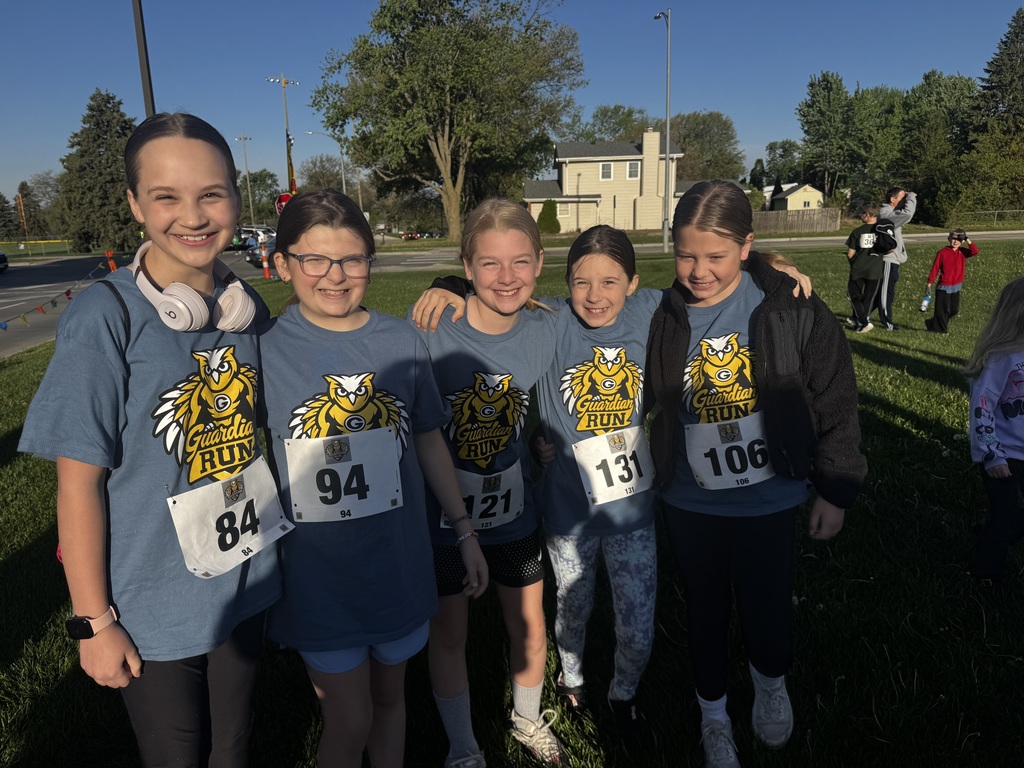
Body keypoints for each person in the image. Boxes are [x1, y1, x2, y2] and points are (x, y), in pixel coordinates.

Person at [18, 112, 289, 766]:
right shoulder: (105, 316)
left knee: (233, 746)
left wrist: (449, 300)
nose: (191, 215)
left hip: (245, 580)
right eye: (166, 196)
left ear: (234, 197)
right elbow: (77, 483)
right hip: (150, 603)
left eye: (211, 194)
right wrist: (93, 621)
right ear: (135, 204)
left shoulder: (241, 309)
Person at [259, 189, 487, 768]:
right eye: (314, 259)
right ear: (282, 263)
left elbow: (430, 438)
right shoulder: (260, 352)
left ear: (369, 262)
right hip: (319, 580)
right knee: (349, 717)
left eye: (352, 259)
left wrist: (464, 529)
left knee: (389, 701)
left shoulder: (399, 340)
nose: (335, 276)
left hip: (397, 566)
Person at [646, 180, 866, 768]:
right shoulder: (659, 314)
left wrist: (835, 487)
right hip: (690, 503)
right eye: (685, 254)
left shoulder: (791, 306)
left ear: (747, 246)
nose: (698, 270)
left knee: (768, 607)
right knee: (704, 610)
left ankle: (770, 686)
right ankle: (713, 714)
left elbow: (835, 396)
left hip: (770, 500)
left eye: (715, 256)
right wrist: (457, 287)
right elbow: (581, 310)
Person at [410, 199, 569, 767]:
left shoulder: (547, 328)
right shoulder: (431, 329)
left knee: (528, 626)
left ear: (541, 261)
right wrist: (443, 285)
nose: (507, 278)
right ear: (467, 266)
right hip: (445, 524)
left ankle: (527, 720)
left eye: (520, 262)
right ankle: (463, 746)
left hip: (515, 517)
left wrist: (538, 442)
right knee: (449, 635)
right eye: (490, 265)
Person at [964, 276, 1024, 590]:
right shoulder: (1001, 358)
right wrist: (991, 454)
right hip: (1004, 455)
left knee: (1013, 518)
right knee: (1006, 513)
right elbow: (982, 409)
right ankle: (988, 574)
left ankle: (996, 535)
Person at [876, 187, 917, 331]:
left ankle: (860, 316)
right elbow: (907, 214)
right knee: (886, 292)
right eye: (902, 197)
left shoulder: (890, 214)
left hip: (893, 259)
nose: (905, 200)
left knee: (882, 291)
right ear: (893, 199)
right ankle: (887, 322)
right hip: (888, 259)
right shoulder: (887, 215)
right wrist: (911, 196)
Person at [925, 229, 979, 334]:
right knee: (942, 310)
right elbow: (935, 268)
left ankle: (932, 322)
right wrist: (929, 283)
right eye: (953, 239)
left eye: (959, 239)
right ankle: (942, 331)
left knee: (954, 310)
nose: (955, 241)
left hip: (956, 286)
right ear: (949, 239)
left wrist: (967, 239)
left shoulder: (962, 252)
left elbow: (975, 251)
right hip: (944, 286)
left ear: (962, 241)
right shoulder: (942, 253)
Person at [844, 204, 885, 333]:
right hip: (876, 269)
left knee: (854, 295)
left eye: (862, 214)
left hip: (859, 268)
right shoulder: (882, 231)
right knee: (868, 297)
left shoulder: (858, 232)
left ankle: (863, 321)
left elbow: (850, 253)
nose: (861, 216)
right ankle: (862, 321)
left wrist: (853, 263)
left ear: (867, 215)